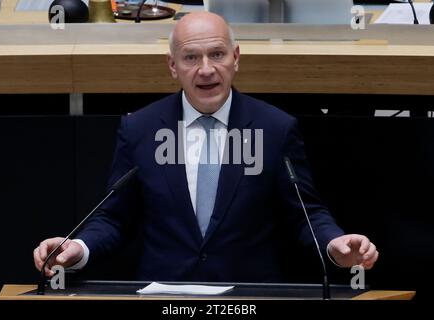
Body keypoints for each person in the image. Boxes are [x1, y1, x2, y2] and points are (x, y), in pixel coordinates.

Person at [34, 12, 378, 282]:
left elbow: (305, 214)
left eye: (217, 54)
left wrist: (335, 245)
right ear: (172, 65)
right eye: (191, 57)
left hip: (248, 298)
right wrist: (76, 248)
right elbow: (113, 218)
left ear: (236, 58)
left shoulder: (275, 128)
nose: (206, 70)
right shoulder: (140, 128)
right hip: (165, 297)